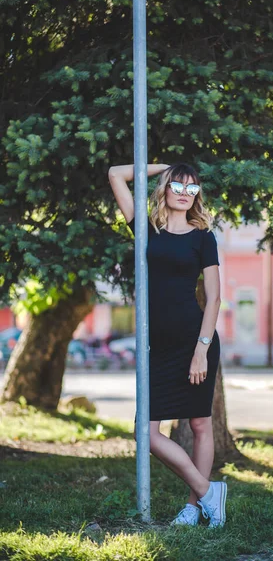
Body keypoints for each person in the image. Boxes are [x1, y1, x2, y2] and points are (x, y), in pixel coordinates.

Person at [108, 162, 227, 528]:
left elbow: (215, 297)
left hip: (196, 341)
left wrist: (201, 351)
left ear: (197, 197)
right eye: (177, 185)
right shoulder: (147, 230)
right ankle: (210, 492)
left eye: (192, 189)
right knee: (146, 432)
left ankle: (194, 507)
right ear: (165, 186)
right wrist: (168, 166)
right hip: (157, 347)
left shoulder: (203, 237)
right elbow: (116, 173)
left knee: (200, 424)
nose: (183, 193)